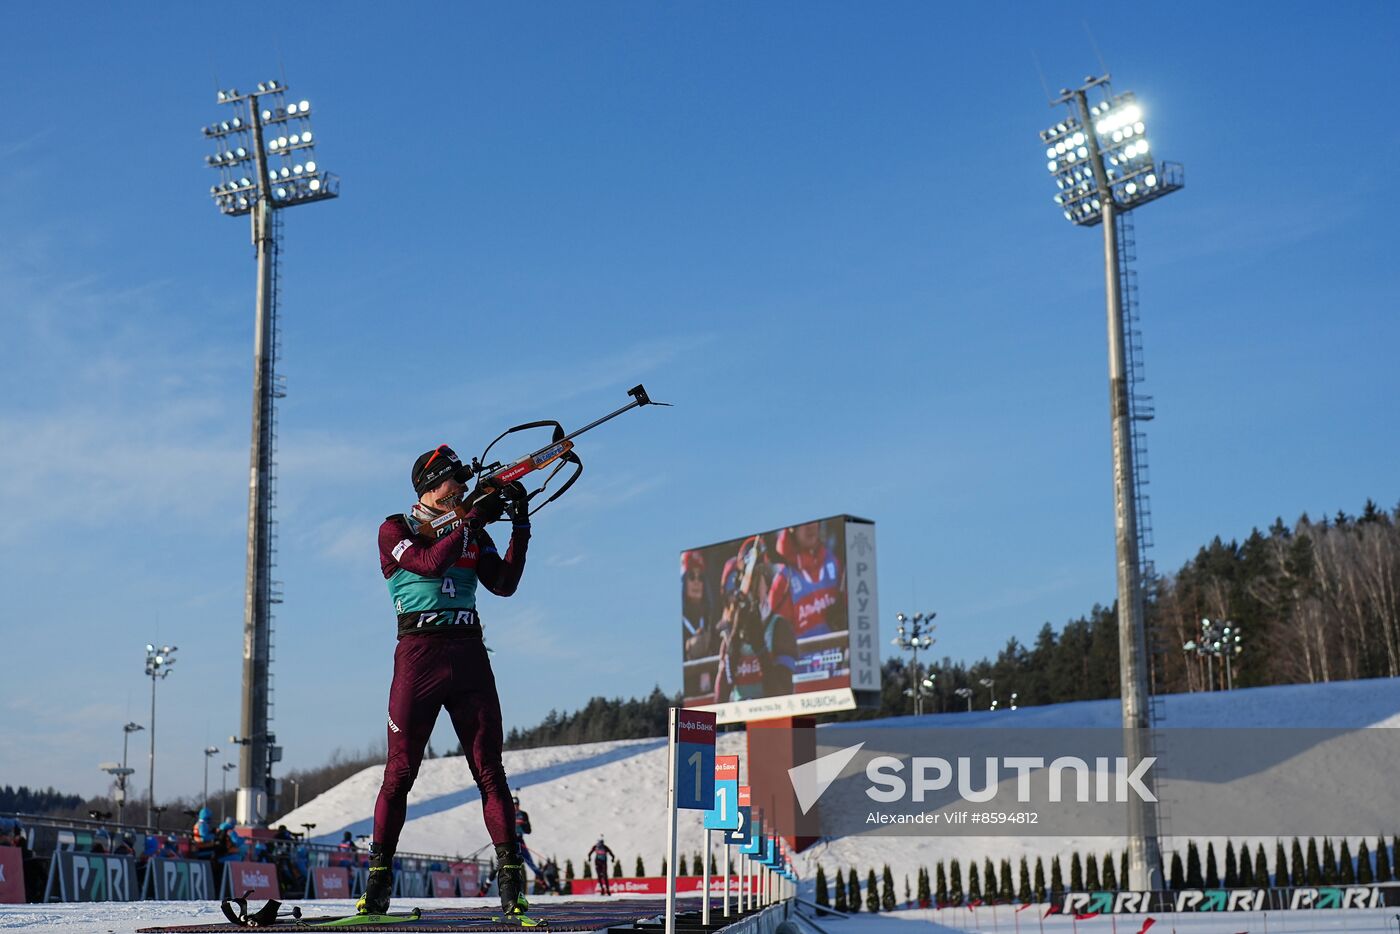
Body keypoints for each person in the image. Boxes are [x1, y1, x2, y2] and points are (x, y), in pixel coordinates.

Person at [360, 444, 533, 919]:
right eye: (453, 481)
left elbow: (504, 584)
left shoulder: (471, 528)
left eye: (463, 481)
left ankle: (512, 884)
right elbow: (430, 563)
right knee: (400, 774)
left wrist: (520, 523)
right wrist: (471, 523)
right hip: (418, 656)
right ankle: (377, 883)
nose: (461, 487)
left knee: (490, 771)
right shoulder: (396, 528)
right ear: (430, 487)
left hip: (469, 655)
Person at [713, 536, 797, 701]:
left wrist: (760, 649)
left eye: (759, 578)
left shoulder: (780, 628)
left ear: (767, 581)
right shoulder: (730, 634)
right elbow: (719, 702)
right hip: (741, 724)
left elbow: (783, 697)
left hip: (773, 725)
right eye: (748, 581)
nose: (754, 587)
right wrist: (733, 648)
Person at [773, 522, 845, 638]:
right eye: (803, 523)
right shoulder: (783, 581)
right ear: (792, 529)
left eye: (814, 521)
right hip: (804, 655)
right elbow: (779, 643)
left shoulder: (834, 563)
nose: (810, 527)